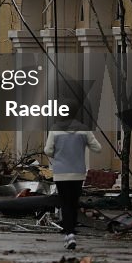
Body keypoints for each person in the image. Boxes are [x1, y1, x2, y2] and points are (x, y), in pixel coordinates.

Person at [44, 101, 101, 250]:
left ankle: (69, 234)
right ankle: (71, 231)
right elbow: (98, 148)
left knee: (65, 203)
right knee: (74, 203)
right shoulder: (84, 129)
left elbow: (48, 150)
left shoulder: (55, 129)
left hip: (61, 173)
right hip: (78, 173)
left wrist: (59, 152)